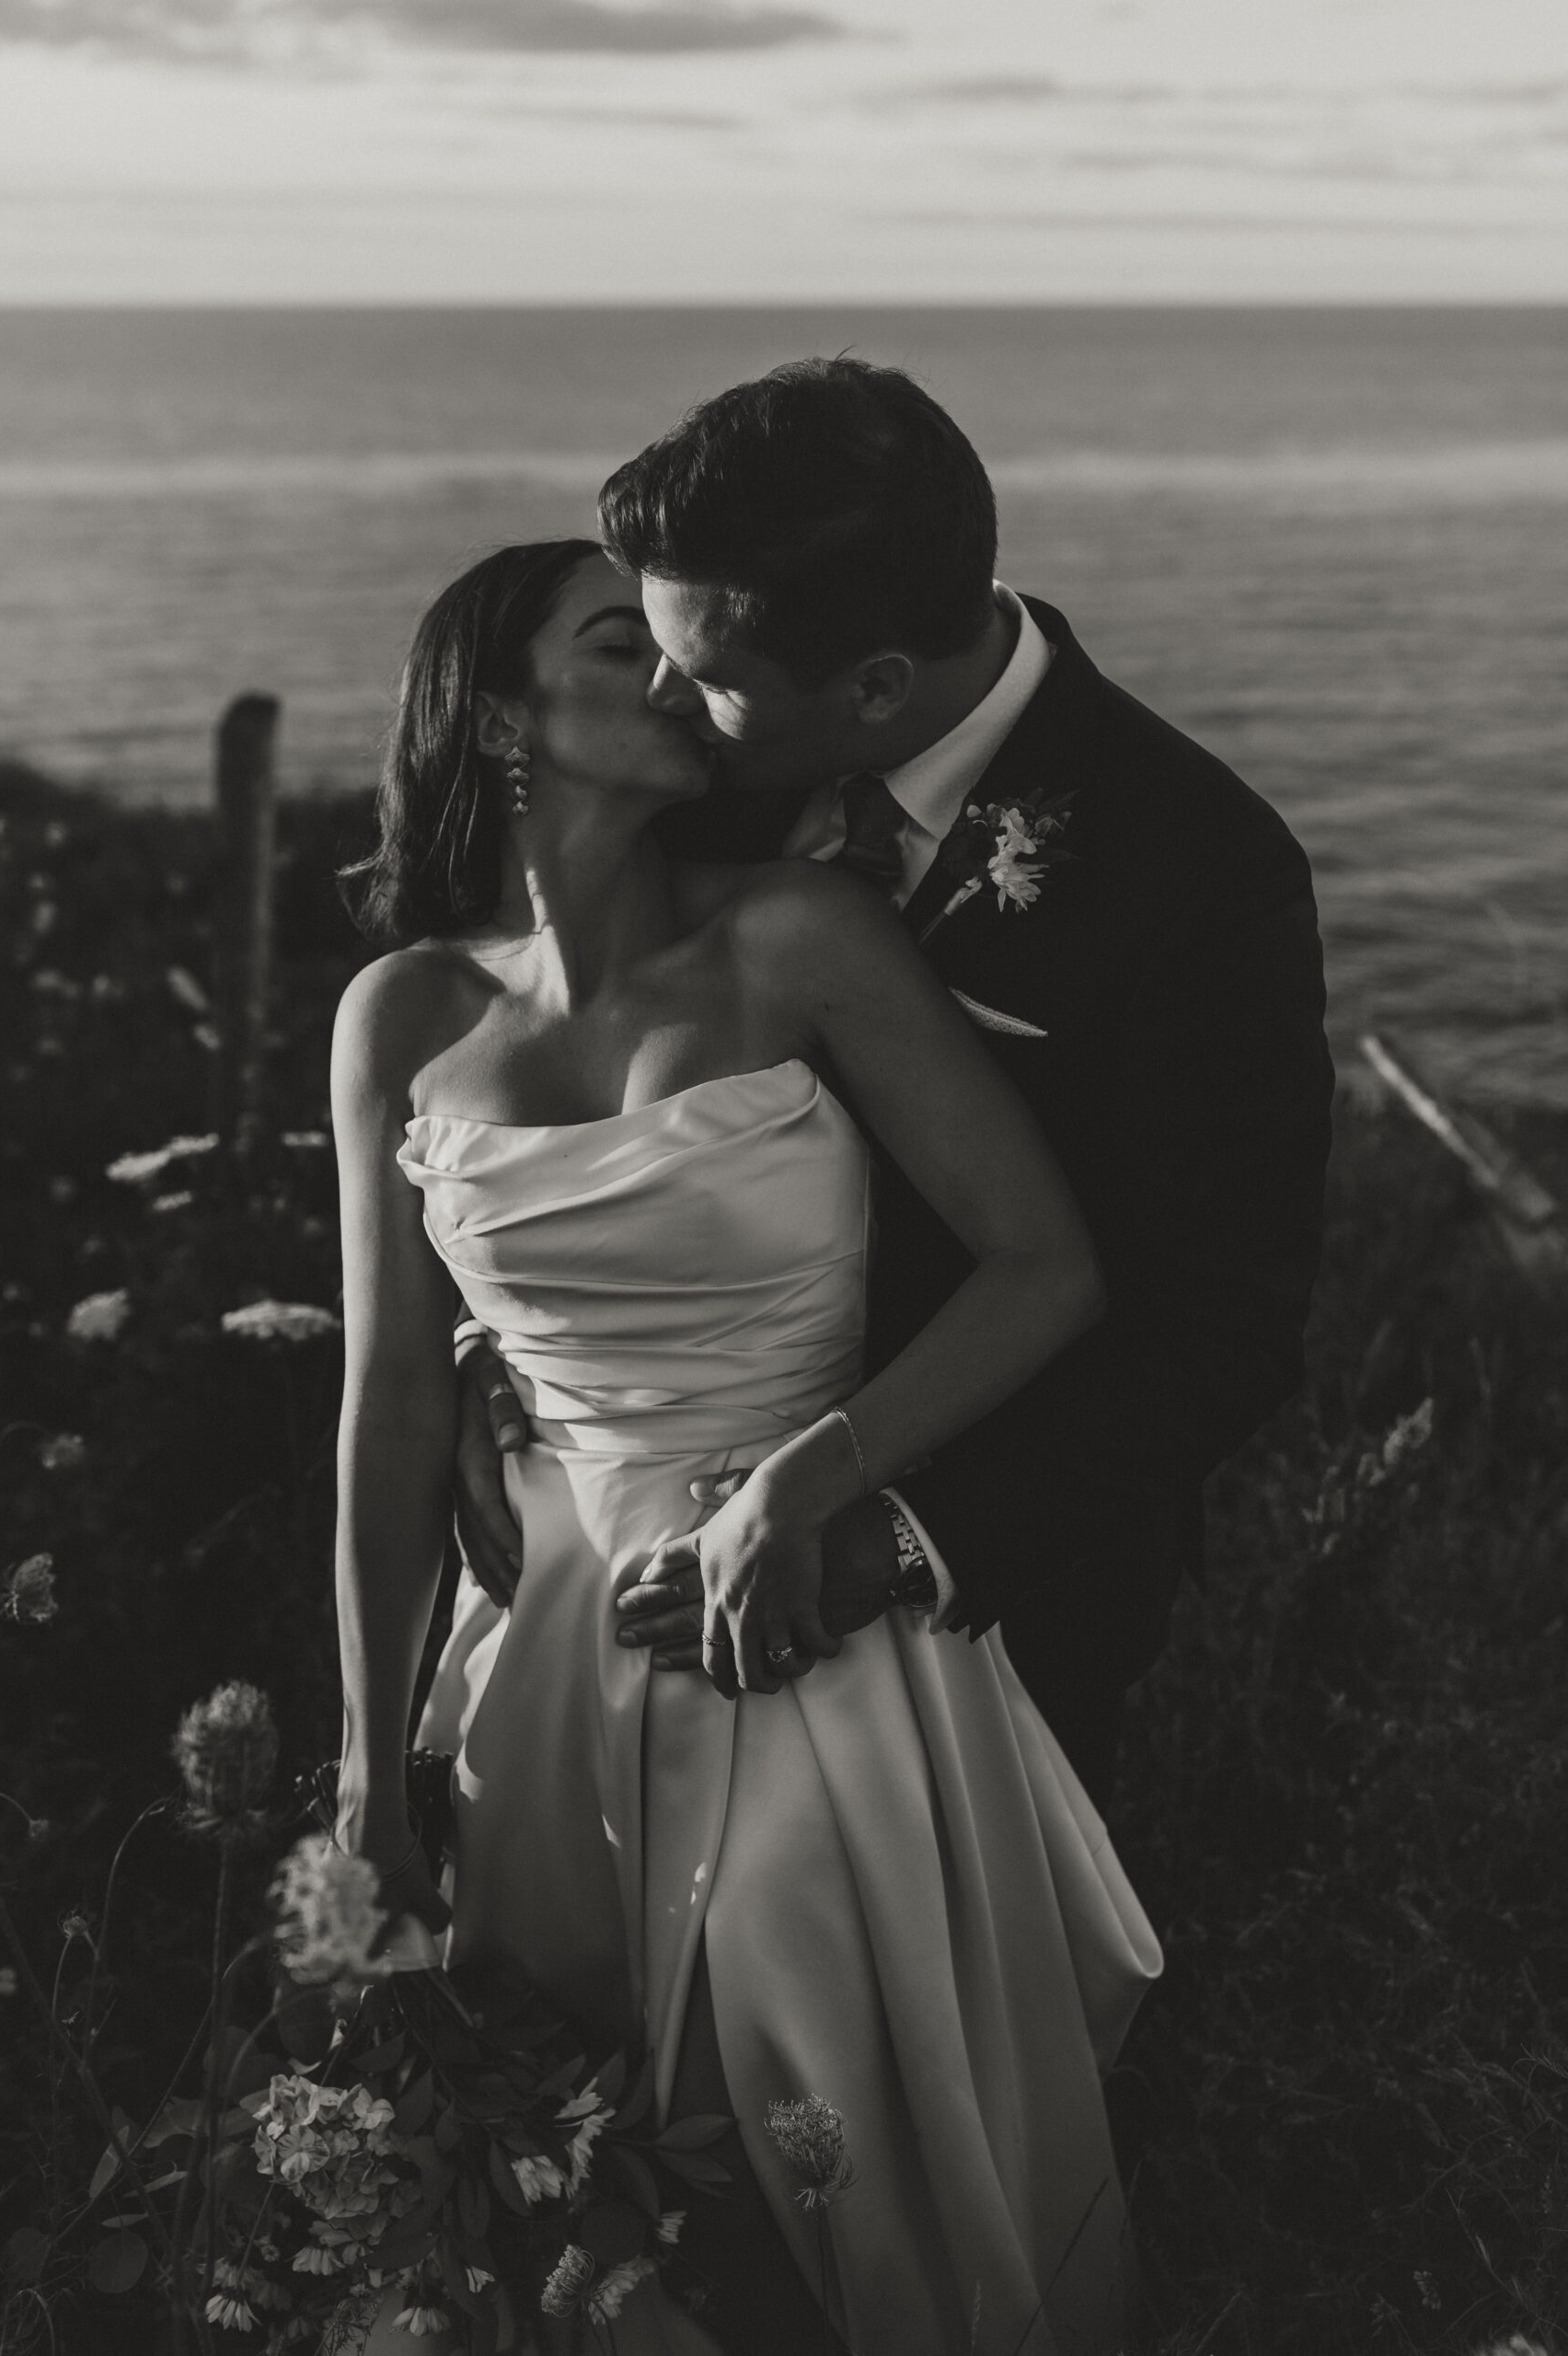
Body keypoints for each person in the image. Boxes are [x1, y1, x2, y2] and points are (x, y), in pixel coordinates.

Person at [331, 537, 1162, 2356]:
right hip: (536, 1644)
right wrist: (366, 1762)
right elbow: (392, 1399)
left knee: (828, 2148)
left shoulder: (798, 941)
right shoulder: (404, 1012)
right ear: (496, 717)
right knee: (574, 2163)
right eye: (617, 642)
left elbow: (1046, 1266)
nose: (677, 677)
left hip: (806, 1621)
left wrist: (811, 1477)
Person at [454, 358, 1336, 1809]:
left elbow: (1223, 1328)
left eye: (709, 677)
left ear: (872, 690)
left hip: (998, 1589)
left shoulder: (1200, 874)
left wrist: (891, 1535)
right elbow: (563, 1070)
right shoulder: (710, 763)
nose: (663, 697)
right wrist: (504, 1351)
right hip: (631, 1530)